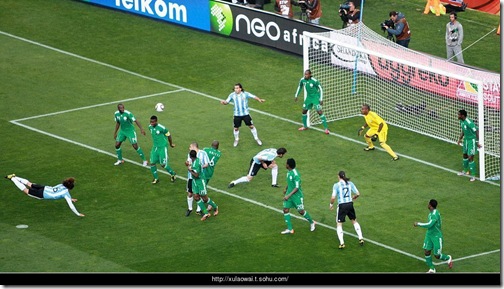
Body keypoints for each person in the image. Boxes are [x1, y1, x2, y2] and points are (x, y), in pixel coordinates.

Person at [5, 174, 84, 217]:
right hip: (42, 194)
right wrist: (77, 213)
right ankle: (13, 179)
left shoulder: (61, 185)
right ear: (70, 189)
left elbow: (57, 190)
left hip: (44, 188)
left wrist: (71, 199)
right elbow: (71, 206)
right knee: (26, 191)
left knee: (30, 184)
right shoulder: (66, 194)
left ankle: (15, 176)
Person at [414, 199, 453, 273]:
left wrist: (418, 224)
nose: (427, 204)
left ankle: (448, 258)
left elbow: (429, 224)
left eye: (428, 203)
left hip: (436, 236)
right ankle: (432, 268)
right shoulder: (431, 213)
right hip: (429, 234)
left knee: (437, 255)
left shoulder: (435, 214)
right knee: (426, 251)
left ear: (430, 206)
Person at [220, 83, 264, 147]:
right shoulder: (232, 95)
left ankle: (256, 138)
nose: (236, 89)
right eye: (235, 88)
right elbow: (227, 102)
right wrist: (224, 102)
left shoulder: (245, 94)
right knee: (236, 128)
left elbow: (253, 96)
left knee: (251, 126)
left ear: (240, 88)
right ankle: (236, 139)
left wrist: (259, 99)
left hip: (245, 114)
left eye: (237, 88)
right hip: (237, 115)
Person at [280, 158, 316, 234]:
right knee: (285, 209)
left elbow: (297, 187)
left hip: (297, 197)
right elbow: (289, 182)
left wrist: (288, 195)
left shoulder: (296, 174)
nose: (285, 164)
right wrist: (286, 189)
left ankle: (312, 222)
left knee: (301, 211)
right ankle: (290, 229)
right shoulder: (288, 172)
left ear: (288, 165)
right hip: (289, 195)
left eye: (286, 163)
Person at [330, 171, 363, 249]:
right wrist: (354, 197)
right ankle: (361, 238)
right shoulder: (350, 183)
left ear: (338, 176)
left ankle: (342, 243)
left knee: (339, 223)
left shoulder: (336, 185)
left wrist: (331, 204)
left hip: (342, 205)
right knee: (354, 220)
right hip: (350, 204)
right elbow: (358, 193)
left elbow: (333, 197)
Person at [295, 69, 330, 134]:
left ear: (310, 75)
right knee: (304, 111)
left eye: (307, 74)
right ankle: (305, 126)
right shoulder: (303, 80)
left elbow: (321, 88)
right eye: (305, 74)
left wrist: (321, 99)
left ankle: (326, 129)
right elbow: (300, 86)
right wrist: (296, 95)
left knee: (319, 111)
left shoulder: (314, 81)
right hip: (308, 98)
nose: (305, 75)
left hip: (315, 98)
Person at [187, 150, 219, 221]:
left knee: (205, 198)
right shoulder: (195, 160)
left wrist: (190, 170)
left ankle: (215, 207)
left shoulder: (197, 163)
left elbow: (197, 175)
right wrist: (189, 165)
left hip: (200, 181)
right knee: (196, 197)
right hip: (194, 182)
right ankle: (206, 213)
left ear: (190, 156)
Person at [148, 115, 176, 184]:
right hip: (155, 147)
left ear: (156, 121)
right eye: (151, 122)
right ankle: (156, 178)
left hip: (162, 147)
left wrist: (171, 144)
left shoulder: (162, 128)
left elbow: (168, 135)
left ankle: (173, 173)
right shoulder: (150, 127)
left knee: (163, 164)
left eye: (153, 122)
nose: (152, 123)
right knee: (152, 163)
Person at [185, 142, 210, 217]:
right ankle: (190, 209)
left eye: (190, 146)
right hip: (191, 177)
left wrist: (198, 168)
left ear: (193, 146)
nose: (189, 148)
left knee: (199, 194)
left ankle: (199, 210)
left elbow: (207, 164)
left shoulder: (203, 153)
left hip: (199, 178)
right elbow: (188, 162)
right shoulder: (190, 154)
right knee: (190, 193)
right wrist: (187, 163)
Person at [456, 109, 481, 182]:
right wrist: (460, 139)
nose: (458, 116)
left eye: (459, 114)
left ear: (462, 115)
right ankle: (465, 170)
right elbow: (463, 130)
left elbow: (476, 131)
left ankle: (473, 176)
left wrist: (477, 142)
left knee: (470, 157)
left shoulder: (469, 122)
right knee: (464, 155)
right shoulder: (461, 121)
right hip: (466, 140)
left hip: (472, 141)